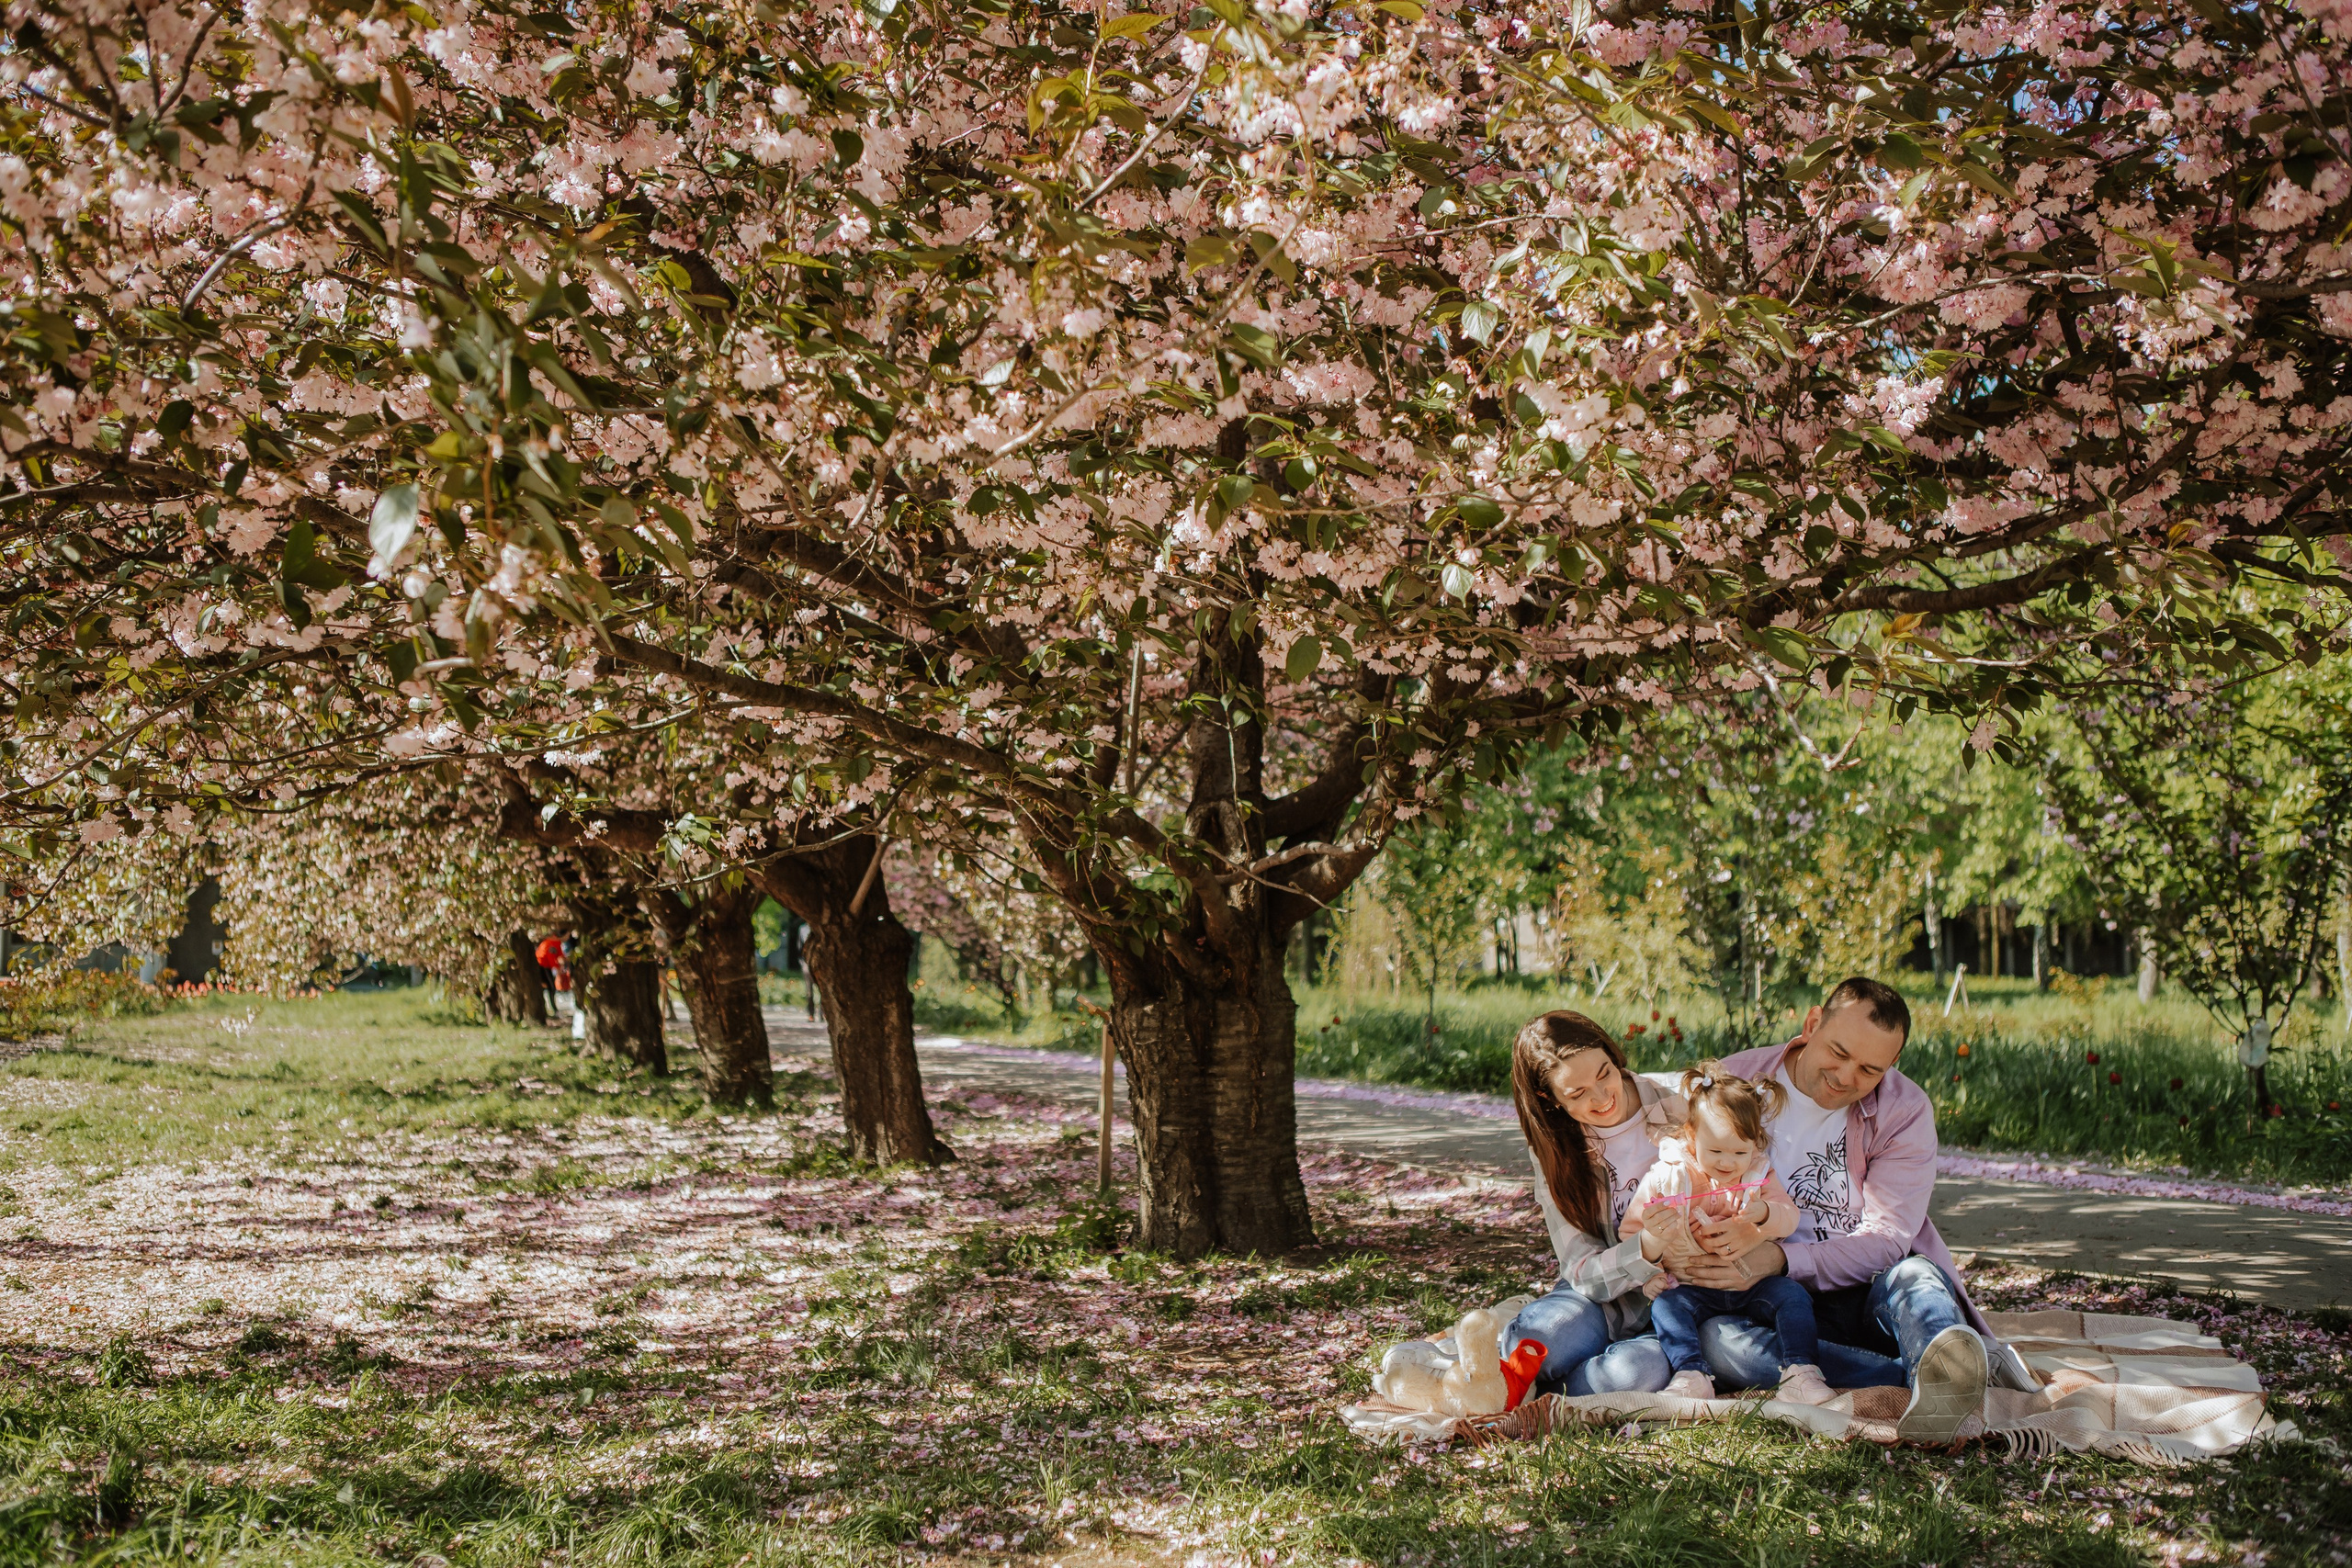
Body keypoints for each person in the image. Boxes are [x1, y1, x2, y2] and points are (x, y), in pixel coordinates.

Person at [1670, 976, 2034, 1441]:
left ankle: (1939, 1367)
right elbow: (1675, 1166)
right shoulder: (1733, 1084)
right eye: (1838, 1053)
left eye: (1870, 1070)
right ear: (1812, 1022)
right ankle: (1928, 1379)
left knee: (1916, 1277)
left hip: (1866, 1291)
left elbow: (1886, 1240)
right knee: (1719, 1343)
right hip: (1764, 1301)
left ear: (1892, 1065)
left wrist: (1781, 1258)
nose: (1846, 1078)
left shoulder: (1904, 1110)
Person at [1496, 1010, 1684, 1406]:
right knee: (1546, 1338)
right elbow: (1581, 1268)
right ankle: (1514, 1378)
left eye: (1604, 1074)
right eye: (1577, 1093)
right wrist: (1647, 1246)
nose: (1601, 1098)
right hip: (1595, 1295)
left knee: (1639, 1372)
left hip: (1674, 1298)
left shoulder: (1679, 1110)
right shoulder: (1555, 1149)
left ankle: (1528, 1395)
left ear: (1614, 1058)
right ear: (1551, 1099)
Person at [1623, 1065, 1832, 1405]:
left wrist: (1763, 1215)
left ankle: (1801, 1371)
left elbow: (1789, 1217)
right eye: (1716, 1151)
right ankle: (1692, 1374)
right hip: (1692, 1287)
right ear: (1691, 1136)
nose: (1727, 1162)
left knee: (1792, 1295)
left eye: (1739, 1152)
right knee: (1666, 1306)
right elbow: (1631, 1235)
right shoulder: (1667, 1178)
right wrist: (1654, 1269)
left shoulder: (1759, 1174)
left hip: (1750, 1284)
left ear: (1756, 1143)